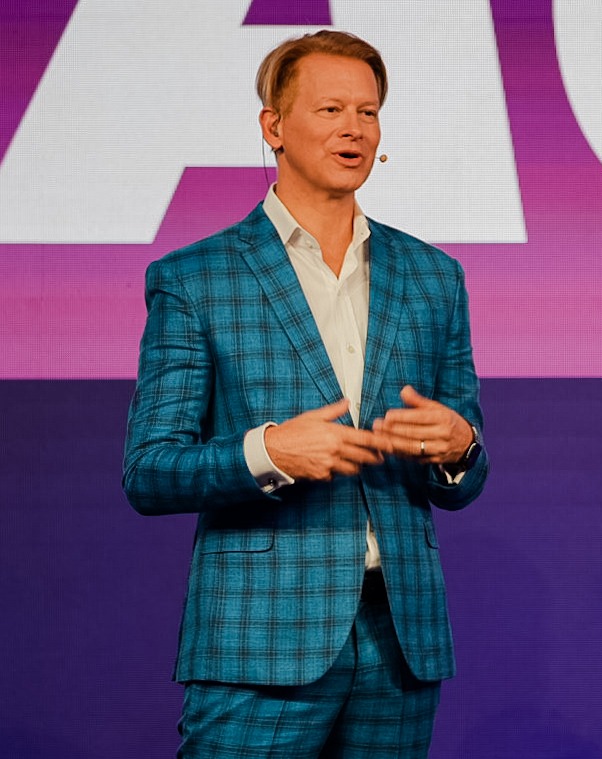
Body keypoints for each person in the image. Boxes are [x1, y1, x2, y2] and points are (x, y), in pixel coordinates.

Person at [123, 30, 488, 757]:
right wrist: (269, 452)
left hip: (400, 641)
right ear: (273, 127)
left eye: (368, 111)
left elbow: (465, 477)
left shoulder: (433, 276)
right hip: (260, 641)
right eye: (330, 109)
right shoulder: (196, 277)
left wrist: (459, 448)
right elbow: (150, 469)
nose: (354, 128)